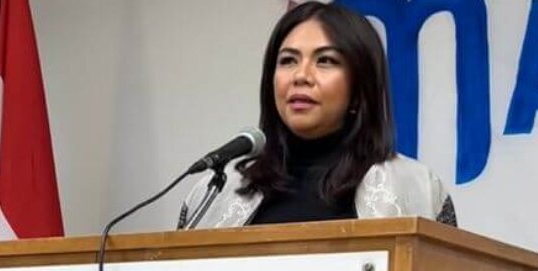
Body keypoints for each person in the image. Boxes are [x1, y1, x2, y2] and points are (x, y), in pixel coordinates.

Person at [181, 1, 457, 229]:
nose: (301, 76)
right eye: (288, 60)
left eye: (325, 60)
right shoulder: (216, 191)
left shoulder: (418, 188)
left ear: (360, 87)